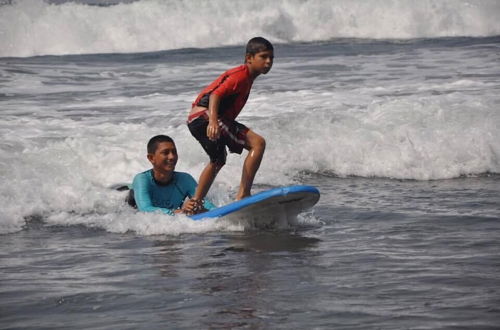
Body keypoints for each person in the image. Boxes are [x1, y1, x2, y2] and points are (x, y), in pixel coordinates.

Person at [187, 37, 274, 207]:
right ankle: (243, 195)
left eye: (271, 58)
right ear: (249, 58)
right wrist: (213, 121)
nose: (268, 62)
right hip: (205, 117)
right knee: (258, 143)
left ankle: (195, 204)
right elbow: (215, 95)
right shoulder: (241, 75)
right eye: (263, 57)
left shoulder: (247, 78)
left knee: (218, 160)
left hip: (196, 119)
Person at [128, 135, 215, 215]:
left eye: (174, 152)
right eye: (165, 153)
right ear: (151, 158)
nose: (172, 157)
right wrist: (181, 212)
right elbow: (145, 210)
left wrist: (200, 209)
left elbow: (207, 204)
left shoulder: (185, 179)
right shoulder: (142, 179)